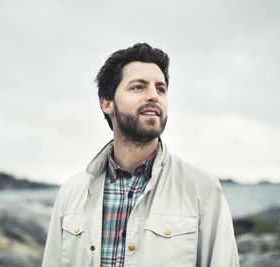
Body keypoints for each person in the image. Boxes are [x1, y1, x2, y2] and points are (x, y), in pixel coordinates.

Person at [42, 43, 240, 267]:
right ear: (107, 103)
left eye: (161, 89)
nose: (154, 96)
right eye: (138, 87)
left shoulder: (202, 190)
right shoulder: (72, 192)